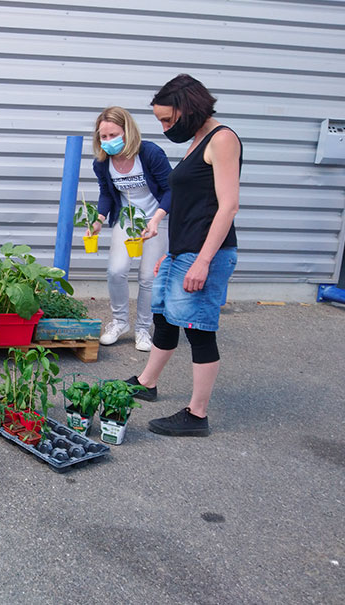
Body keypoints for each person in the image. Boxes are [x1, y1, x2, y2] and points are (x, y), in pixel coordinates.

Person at [126, 74, 241, 437]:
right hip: (182, 251)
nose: (163, 127)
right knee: (164, 318)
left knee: (199, 330)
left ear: (187, 109)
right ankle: (147, 382)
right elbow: (188, 199)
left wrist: (204, 260)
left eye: (167, 119)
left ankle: (197, 414)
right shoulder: (197, 141)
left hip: (206, 252)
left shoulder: (222, 140)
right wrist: (173, 253)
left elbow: (228, 207)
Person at [90, 107, 173, 352]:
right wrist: (98, 219)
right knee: (116, 271)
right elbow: (106, 194)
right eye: (103, 137)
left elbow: (171, 190)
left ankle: (144, 329)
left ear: (128, 132)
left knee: (149, 277)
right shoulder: (102, 163)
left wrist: (157, 219)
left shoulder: (150, 154)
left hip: (155, 218)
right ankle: (119, 322)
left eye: (113, 135)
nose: (108, 141)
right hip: (126, 220)